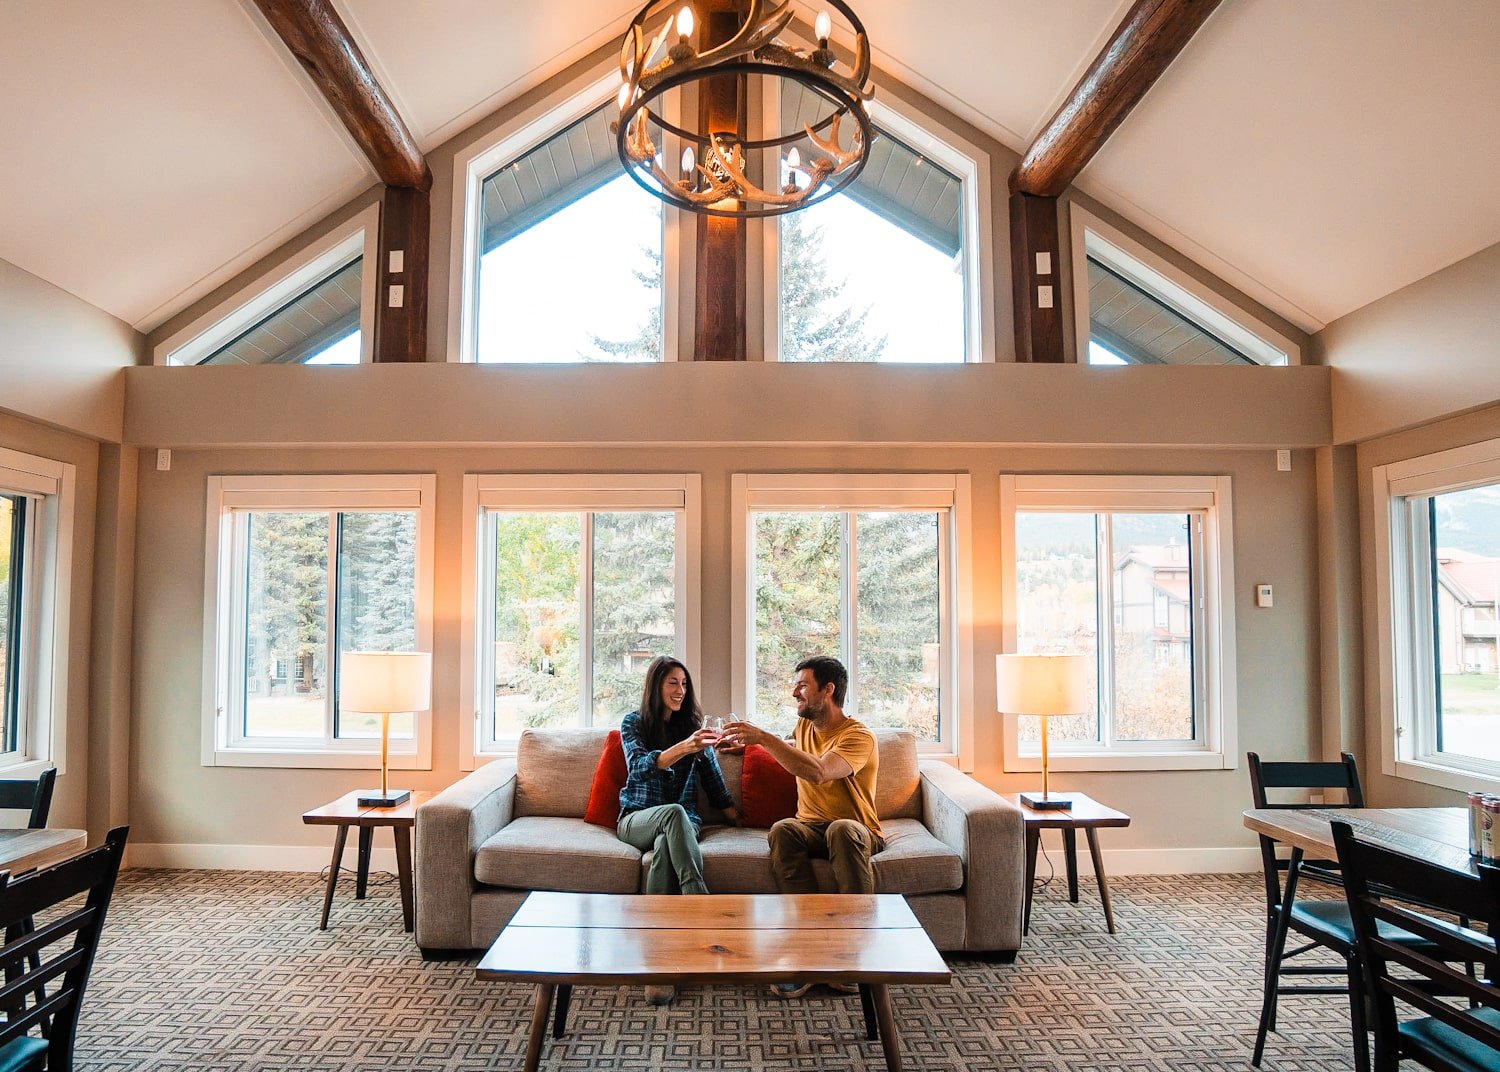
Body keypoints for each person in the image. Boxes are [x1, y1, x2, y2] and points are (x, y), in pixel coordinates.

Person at [719, 655, 882, 999]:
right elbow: (794, 755)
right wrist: (744, 747)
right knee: (782, 830)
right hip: (810, 828)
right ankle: (807, 951)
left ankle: (856, 953)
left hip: (856, 830)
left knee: (841, 829)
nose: (795, 692)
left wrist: (762, 737)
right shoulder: (804, 728)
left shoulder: (858, 736)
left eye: (803, 685)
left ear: (828, 690)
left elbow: (820, 771)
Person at [616, 655, 738, 1005]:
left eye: (684, 684)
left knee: (666, 851)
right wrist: (684, 747)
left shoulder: (693, 727)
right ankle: (700, 906)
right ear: (656, 686)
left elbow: (713, 777)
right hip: (637, 818)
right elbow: (639, 768)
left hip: (682, 824)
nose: (680, 691)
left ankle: (658, 966)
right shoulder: (634, 723)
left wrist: (734, 813)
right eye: (673, 683)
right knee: (672, 814)